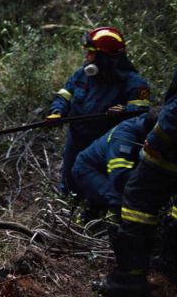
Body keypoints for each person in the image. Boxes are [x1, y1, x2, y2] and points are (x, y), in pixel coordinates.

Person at [92, 65, 177, 297]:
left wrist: (159, 137)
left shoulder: (130, 128)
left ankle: (129, 279)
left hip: (171, 146)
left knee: (138, 199)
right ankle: (171, 261)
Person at [47, 27, 152, 195]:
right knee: (69, 183)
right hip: (76, 139)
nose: (86, 58)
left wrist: (124, 111)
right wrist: (57, 112)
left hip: (104, 145)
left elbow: (143, 113)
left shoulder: (133, 83)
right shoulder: (81, 75)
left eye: (90, 54)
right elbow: (64, 96)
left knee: (98, 185)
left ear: (104, 58)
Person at [71, 108, 161, 223]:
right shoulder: (124, 137)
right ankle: (109, 233)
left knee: (98, 207)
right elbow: (120, 177)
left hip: (108, 169)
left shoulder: (149, 122)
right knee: (120, 199)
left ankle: (86, 221)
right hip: (89, 169)